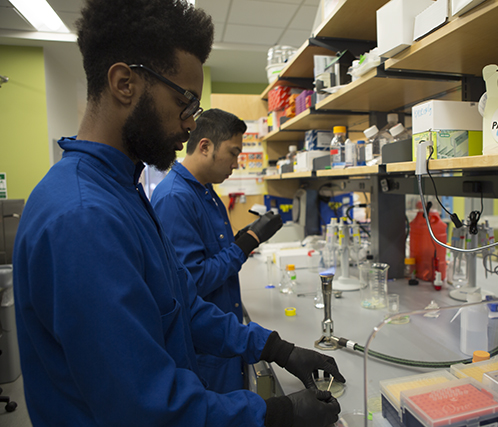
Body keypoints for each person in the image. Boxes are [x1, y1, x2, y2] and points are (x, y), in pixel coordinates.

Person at [12, 1, 343, 426]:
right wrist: (275, 412)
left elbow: (183, 303)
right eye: (185, 102)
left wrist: (276, 348)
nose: (191, 125)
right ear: (124, 83)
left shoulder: (122, 189)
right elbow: (145, 406)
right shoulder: (83, 218)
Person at [151, 108, 282, 393]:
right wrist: (245, 244)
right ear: (205, 146)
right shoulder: (175, 198)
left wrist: (244, 239)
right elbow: (194, 282)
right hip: (205, 351)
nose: (236, 163)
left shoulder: (206, 191)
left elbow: (211, 255)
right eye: (234, 153)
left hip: (225, 337)